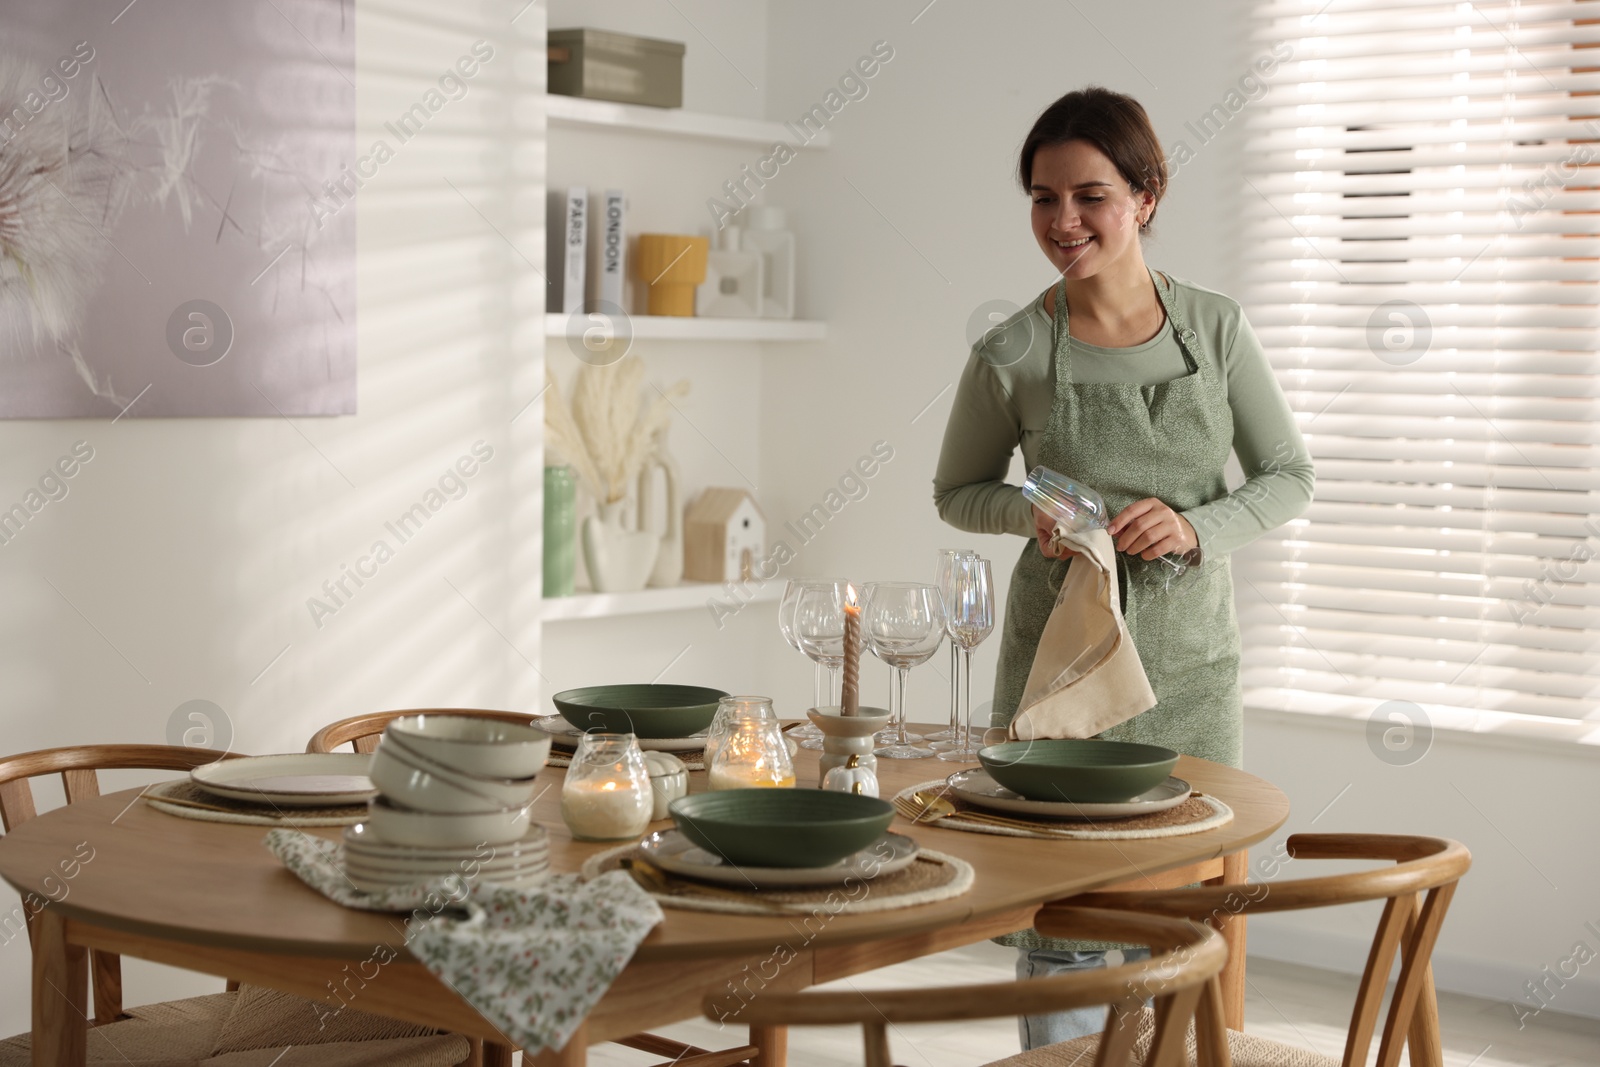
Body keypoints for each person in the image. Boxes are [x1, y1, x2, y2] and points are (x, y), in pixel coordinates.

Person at [932, 86, 1315, 1049]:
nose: (1062, 221)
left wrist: (1195, 529)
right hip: (1062, 667)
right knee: (1070, 912)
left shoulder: (1217, 329)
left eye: (1089, 195)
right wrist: (1032, 512)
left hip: (1190, 664)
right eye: (1042, 197)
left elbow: (1288, 477)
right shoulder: (1013, 347)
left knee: (1190, 904)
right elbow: (957, 490)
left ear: (1146, 195)